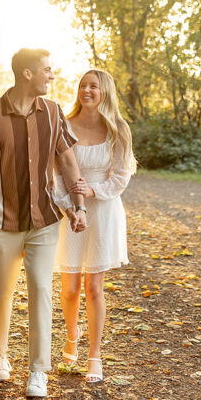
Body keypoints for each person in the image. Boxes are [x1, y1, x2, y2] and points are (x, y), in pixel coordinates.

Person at [0, 48, 87, 398]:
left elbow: (67, 160)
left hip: (44, 220)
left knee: (40, 290)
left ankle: (38, 370)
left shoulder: (53, 112)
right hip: (0, 222)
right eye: (47, 70)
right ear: (27, 74)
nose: (52, 75)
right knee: (1, 293)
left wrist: (79, 207)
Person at [53, 69, 136, 383]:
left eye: (93, 86)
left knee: (93, 287)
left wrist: (93, 191)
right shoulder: (65, 125)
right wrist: (70, 206)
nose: (86, 90)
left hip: (103, 213)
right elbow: (57, 173)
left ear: (105, 92)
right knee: (70, 288)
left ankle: (95, 356)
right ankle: (72, 335)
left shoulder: (118, 129)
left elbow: (121, 176)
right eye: (82, 85)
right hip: (72, 212)